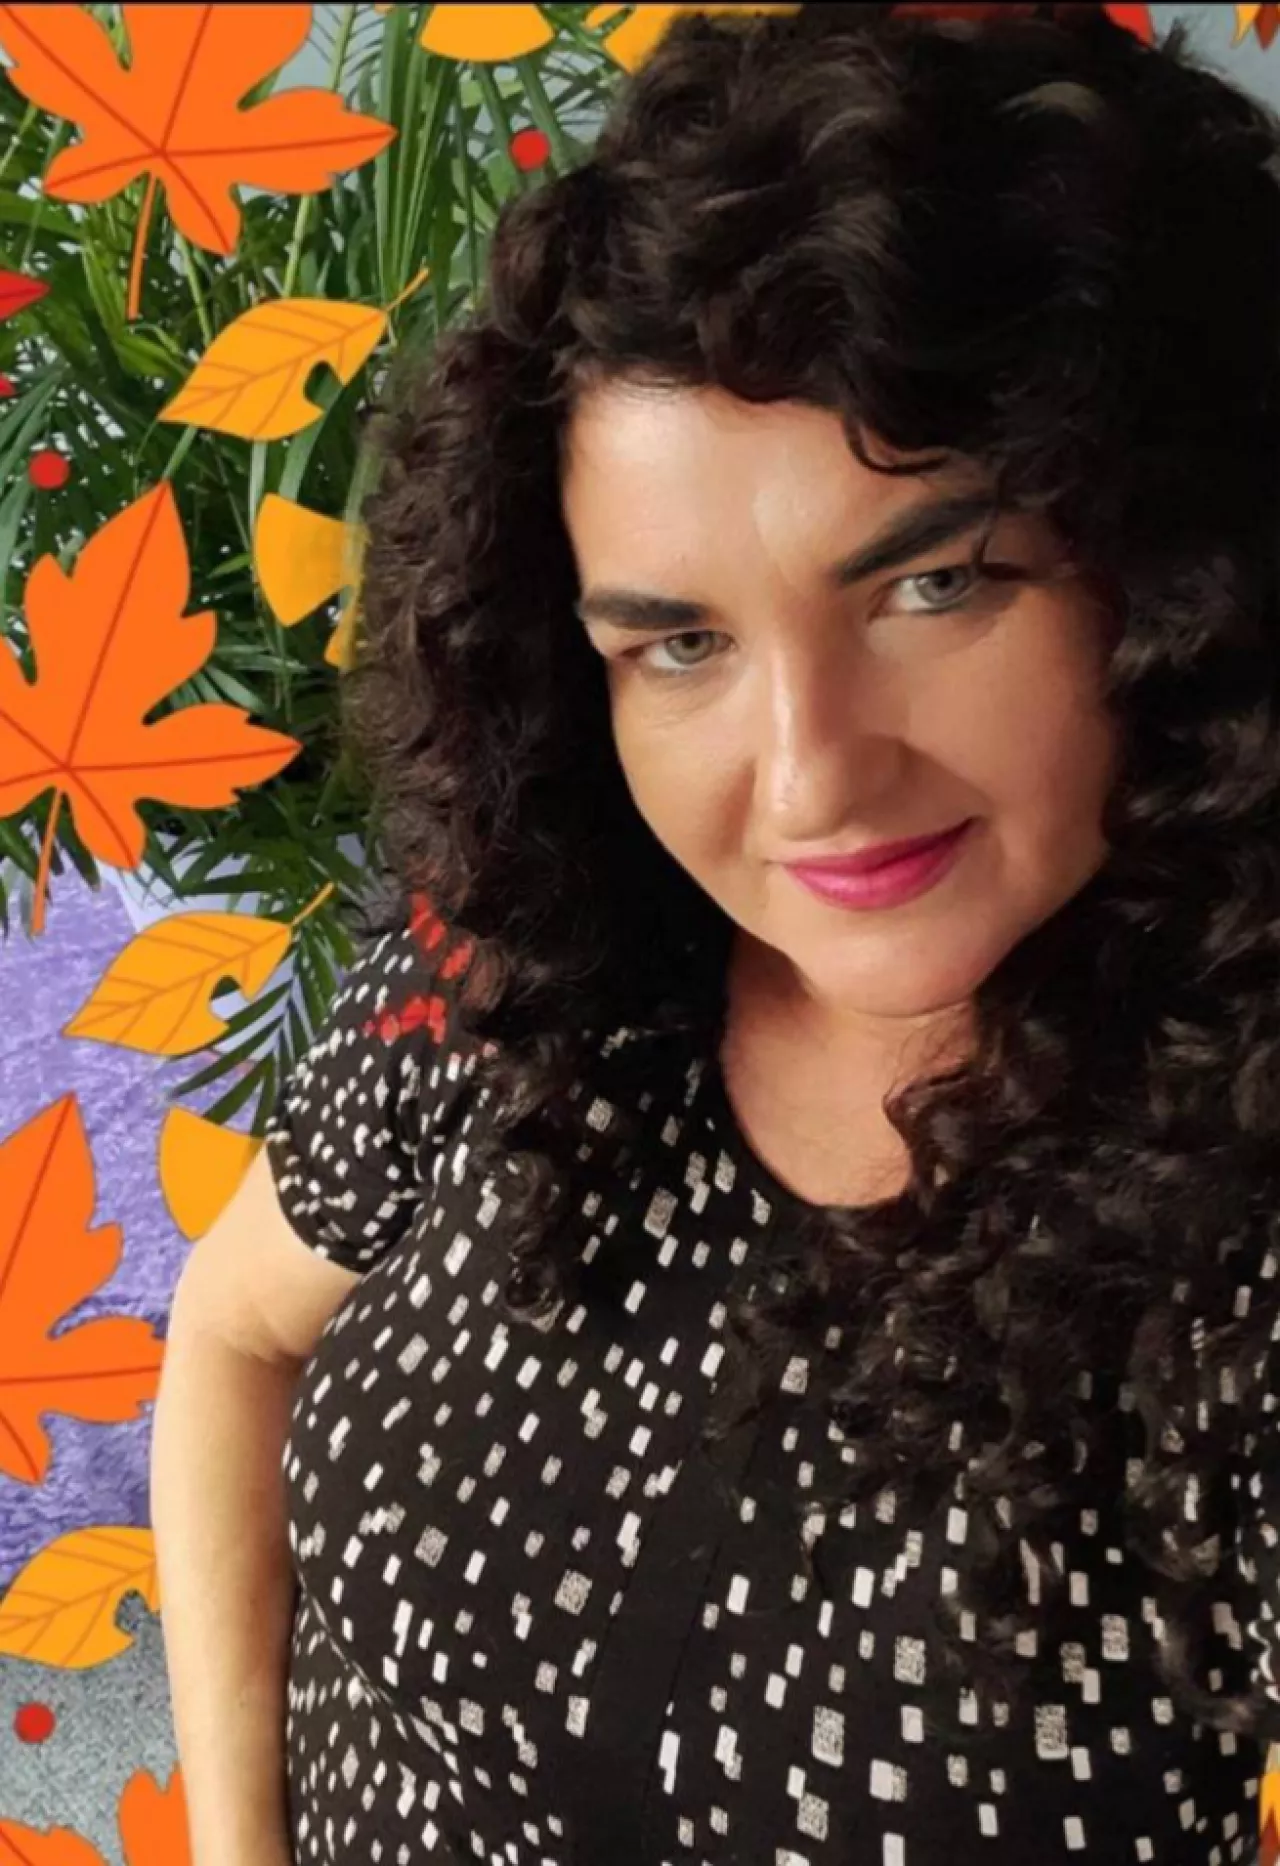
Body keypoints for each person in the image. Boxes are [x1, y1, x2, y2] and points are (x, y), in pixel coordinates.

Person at [150, 4, 1280, 1862]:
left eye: (936, 583)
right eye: (680, 642)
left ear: (1174, 571)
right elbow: (235, 1335)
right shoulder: (521, 952)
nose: (809, 778)